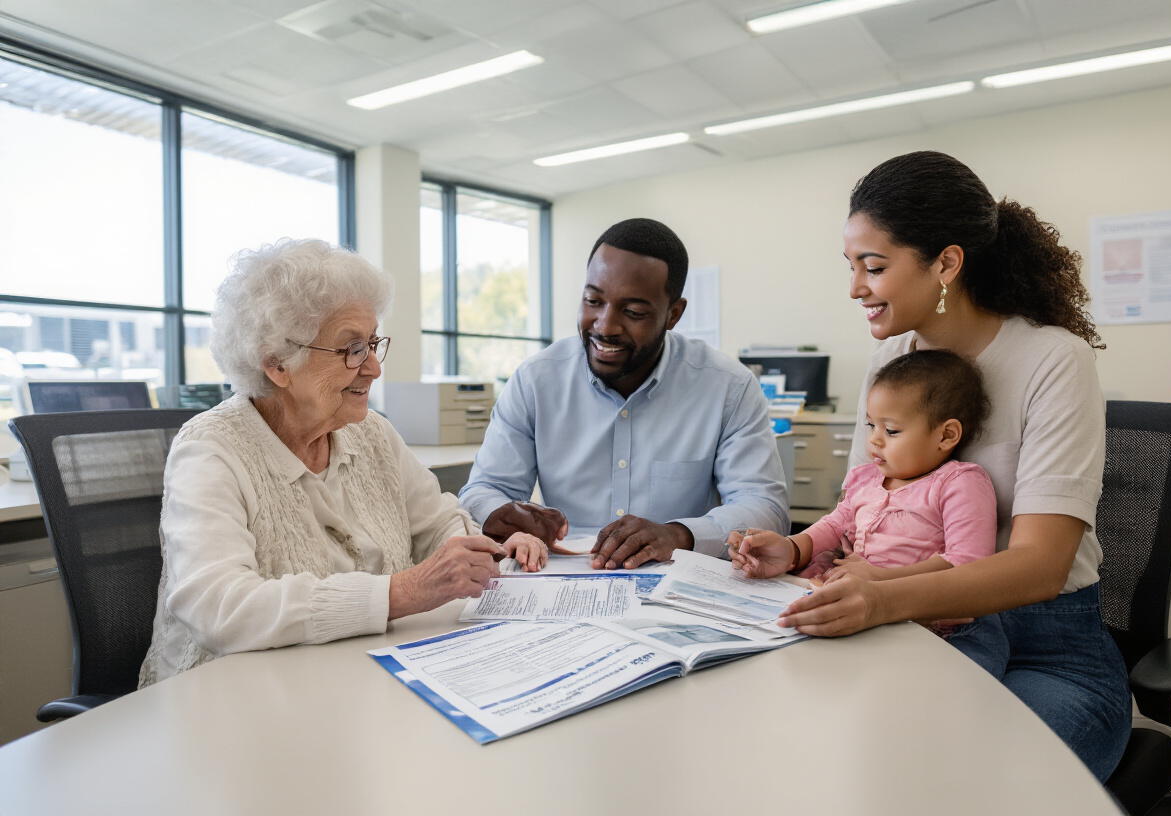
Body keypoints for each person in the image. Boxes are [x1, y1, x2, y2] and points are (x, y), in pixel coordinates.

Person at [730, 151, 1131, 782]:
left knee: (961, 779)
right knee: (826, 755)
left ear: (946, 262)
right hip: (914, 628)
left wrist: (883, 598)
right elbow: (861, 512)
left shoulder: (1055, 360)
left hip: (1044, 649)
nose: (856, 287)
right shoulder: (892, 357)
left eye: (875, 267)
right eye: (852, 267)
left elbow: (1041, 565)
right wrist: (803, 552)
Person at [139, 239, 546, 686]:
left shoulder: (371, 432)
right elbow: (221, 607)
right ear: (278, 364)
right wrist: (404, 592)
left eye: (373, 344)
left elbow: (438, 523)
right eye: (352, 349)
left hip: (355, 680)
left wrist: (478, 551)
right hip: (230, 699)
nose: (373, 367)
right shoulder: (211, 450)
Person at [459, 218, 789, 570]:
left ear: (673, 315)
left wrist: (678, 535)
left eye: (632, 312)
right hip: (560, 580)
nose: (605, 326)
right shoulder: (535, 380)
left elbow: (765, 508)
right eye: (592, 300)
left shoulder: (728, 387)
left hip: (676, 584)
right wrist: (503, 514)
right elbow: (482, 490)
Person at [733, 349, 1006, 677]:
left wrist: (882, 581)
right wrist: (792, 546)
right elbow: (835, 524)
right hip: (862, 613)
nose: (874, 440)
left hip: (941, 628)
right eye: (870, 425)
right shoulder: (866, 478)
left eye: (891, 431)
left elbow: (967, 563)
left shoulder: (959, 482)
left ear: (946, 435)